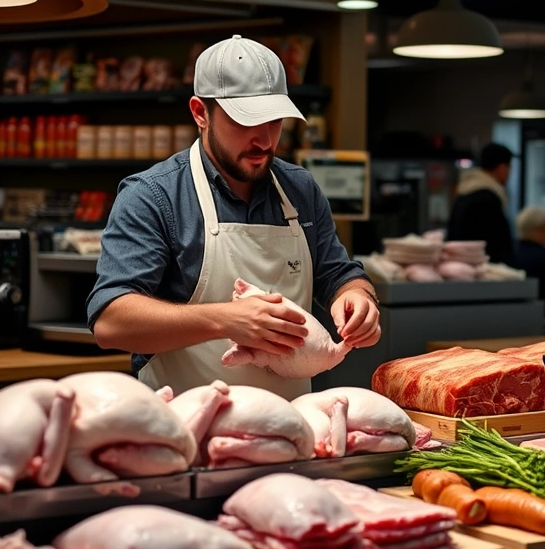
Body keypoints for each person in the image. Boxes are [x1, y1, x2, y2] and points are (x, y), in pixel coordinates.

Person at [86, 35, 380, 398]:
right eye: (245, 122)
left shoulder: (299, 188)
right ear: (200, 113)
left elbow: (337, 274)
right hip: (184, 431)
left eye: (274, 121)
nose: (263, 140)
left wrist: (357, 298)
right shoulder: (153, 196)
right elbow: (111, 321)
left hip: (291, 429)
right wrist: (227, 319)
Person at [446, 143, 515, 266]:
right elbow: (498, 244)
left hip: (460, 268)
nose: (509, 173)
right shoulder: (488, 198)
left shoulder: (465, 191)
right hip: (480, 271)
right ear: (501, 168)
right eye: (509, 167)